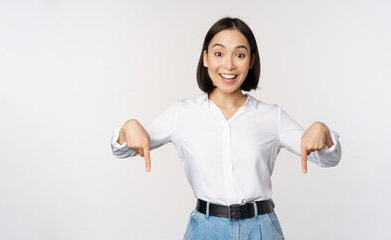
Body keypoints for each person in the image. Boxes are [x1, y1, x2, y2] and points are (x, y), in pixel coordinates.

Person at [110, 17, 341, 240]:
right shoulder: (182, 113)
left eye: (239, 55)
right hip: (206, 230)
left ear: (251, 61)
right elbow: (125, 148)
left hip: (261, 229)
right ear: (206, 58)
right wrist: (127, 128)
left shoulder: (272, 116)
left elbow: (327, 159)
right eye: (219, 53)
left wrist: (323, 133)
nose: (229, 65)